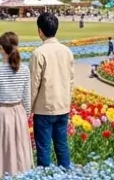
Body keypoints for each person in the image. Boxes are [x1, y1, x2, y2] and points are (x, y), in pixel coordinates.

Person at [0, 32, 33, 176]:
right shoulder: (24, 69)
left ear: (0, 48)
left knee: (0, 151)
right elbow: (27, 99)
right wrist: (26, 115)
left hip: (0, 113)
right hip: (18, 113)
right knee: (19, 151)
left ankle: (0, 175)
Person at [31, 11, 74, 169]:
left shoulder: (38, 53)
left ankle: (44, 176)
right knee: (62, 146)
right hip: (62, 106)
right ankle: (67, 173)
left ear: (40, 31)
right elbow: (71, 80)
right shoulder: (67, 51)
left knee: (43, 149)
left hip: (44, 108)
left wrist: (29, 108)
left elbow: (33, 84)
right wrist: (67, 100)